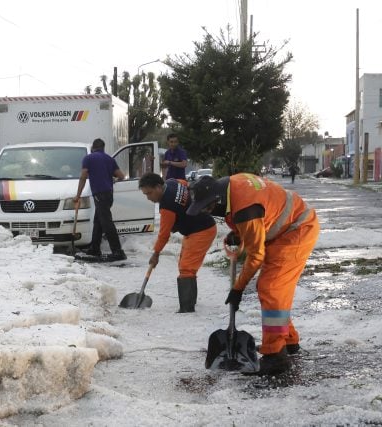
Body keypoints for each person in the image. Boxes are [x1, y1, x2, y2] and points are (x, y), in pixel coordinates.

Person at [186, 173, 320, 375]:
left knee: (272, 288)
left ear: (218, 199)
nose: (207, 211)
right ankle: (288, 341)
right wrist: (241, 233)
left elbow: (256, 256)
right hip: (283, 229)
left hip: (296, 230)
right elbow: (262, 209)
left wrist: (238, 288)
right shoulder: (232, 183)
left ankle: (276, 356)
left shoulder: (246, 210)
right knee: (272, 291)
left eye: (208, 207)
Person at [138, 173, 217, 312]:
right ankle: (190, 301)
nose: (148, 198)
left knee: (186, 268)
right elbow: (187, 187)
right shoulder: (173, 182)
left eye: (149, 193)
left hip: (201, 231)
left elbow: (164, 234)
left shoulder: (166, 206)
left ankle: (187, 309)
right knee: (185, 265)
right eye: (145, 195)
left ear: (158, 187)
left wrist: (156, 253)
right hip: (196, 228)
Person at [74, 138, 126, 261]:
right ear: (103, 147)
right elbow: (121, 176)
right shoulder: (109, 159)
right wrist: (112, 180)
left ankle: (117, 251)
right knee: (98, 221)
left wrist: (78, 195)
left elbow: (83, 177)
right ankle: (95, 249)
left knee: (106, 222)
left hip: (99, 194)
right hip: (108, 194)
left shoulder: (89, 158)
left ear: (93, 147)